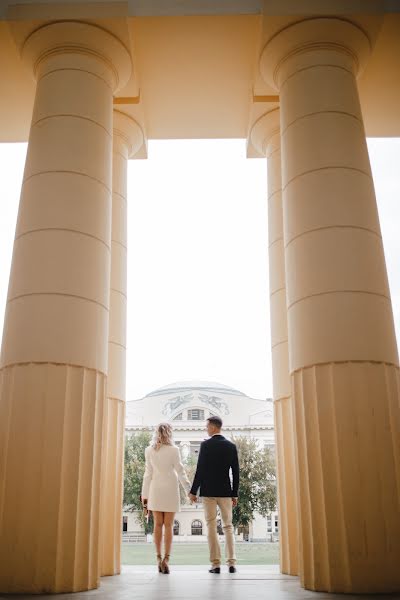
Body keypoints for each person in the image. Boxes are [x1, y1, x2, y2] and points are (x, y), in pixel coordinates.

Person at [189, 416, 239, 574]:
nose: (206, 428)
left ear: (213, 427)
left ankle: (215, 564)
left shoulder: (205, 445)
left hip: (209, 492)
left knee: (211, 526)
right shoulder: (231, 446)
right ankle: (231, 563)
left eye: (207, 426)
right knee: (228, 527)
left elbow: (200, 470)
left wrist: (193, 491)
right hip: (225, 491)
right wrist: (235, 493)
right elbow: (236, 472)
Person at [141, 422, 191, 574]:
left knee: (157, 524)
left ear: (156, 432)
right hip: (170, 490)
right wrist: (189, 490)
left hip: (155, 490)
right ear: (169, 433)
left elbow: (147, 474)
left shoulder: (149, 450)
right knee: (168, 525)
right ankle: (166, 560)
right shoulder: (174, 450)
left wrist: (144, 497)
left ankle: (158, 558)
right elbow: (181, 472)